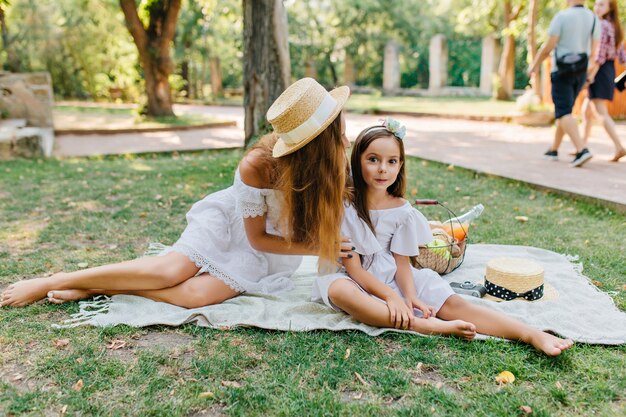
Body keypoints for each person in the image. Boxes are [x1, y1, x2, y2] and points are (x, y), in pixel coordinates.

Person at [1, 78, 353, 308]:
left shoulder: (337, 162)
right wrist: (318, 246)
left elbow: (365, 211)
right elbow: (257, 236)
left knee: (196, 295)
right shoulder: (258, 165)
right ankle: (55, 280)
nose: (342, 131)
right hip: (234, 224)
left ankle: (98, 288)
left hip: (274, 249)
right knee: (170, 272)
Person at [312, 119, 574, 356]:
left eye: (391, 161)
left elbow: (401, 263)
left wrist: (409, 295)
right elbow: (354, 269)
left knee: (453, 303)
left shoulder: (403, 211)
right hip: (354, 278)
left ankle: (529, 333)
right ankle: (426, 325)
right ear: (357, 160)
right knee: (340, 291)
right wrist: (392, 298)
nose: (383, 169)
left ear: (400, 165)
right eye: (373, 159)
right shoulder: (346, 205)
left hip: (391, 274)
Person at [528, 0, 601, 167]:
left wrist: (535, 65)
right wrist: (588, 74)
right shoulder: (594, 19)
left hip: (561, 72)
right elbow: (594, 50)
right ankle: (553, 149)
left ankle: (581, 150)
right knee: (564, 111)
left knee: (563, 112)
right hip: (581, 72)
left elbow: (549, 46)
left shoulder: (562, 17)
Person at [581, 0, 626, 162]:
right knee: (586, 111)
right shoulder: (614, 26)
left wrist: (591, 75)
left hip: (599, 71)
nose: (597, 7)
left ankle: (619, 146)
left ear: (609, 8)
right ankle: (581, 145)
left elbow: (599, 55)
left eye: (602, 5)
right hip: (608, 70)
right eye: (597, 4)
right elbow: (621, 57)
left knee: (601, 112)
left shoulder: (602, 25)